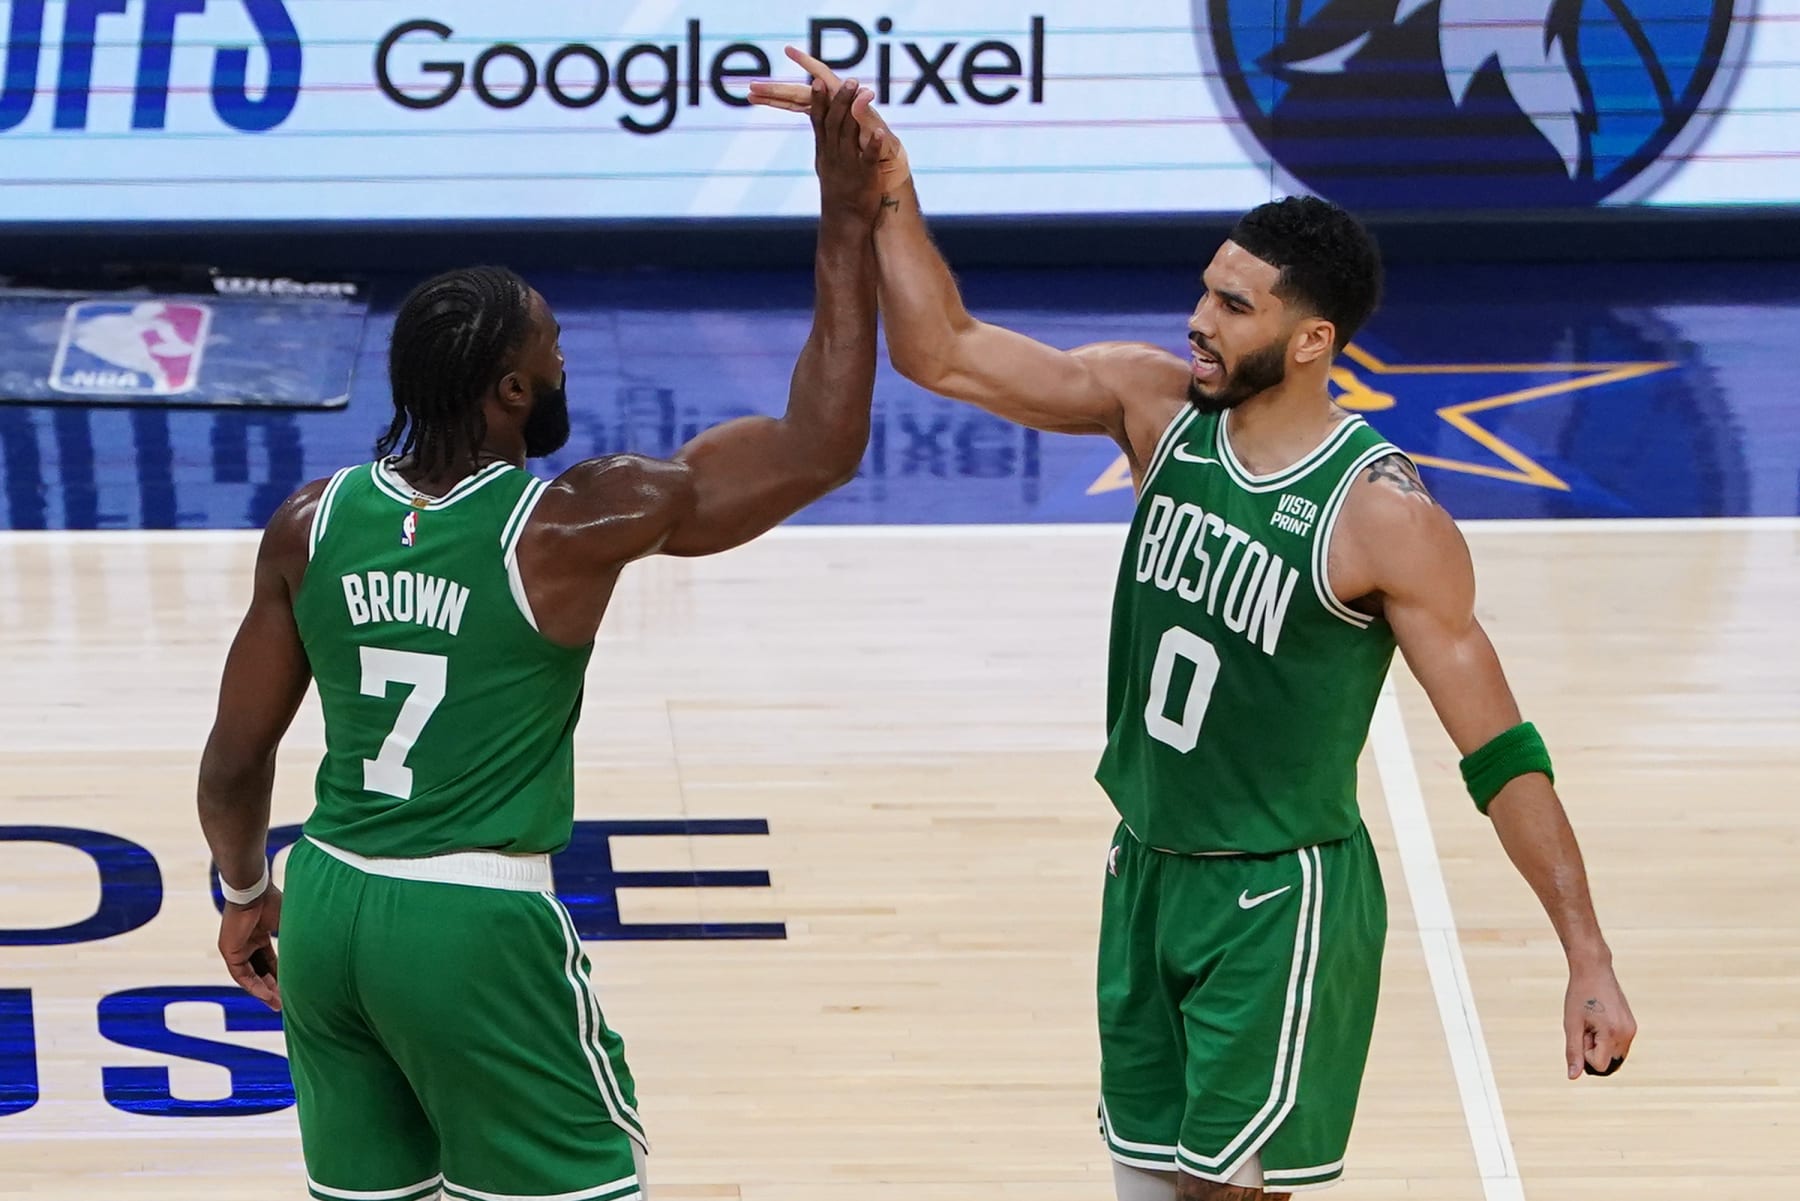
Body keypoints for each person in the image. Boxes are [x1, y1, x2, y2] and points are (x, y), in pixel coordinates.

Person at [751, 51, 1637, 1201]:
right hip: (1147, 869)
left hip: (1276, 897)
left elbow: (1499, 751)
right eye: (1207, 291)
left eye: (1233, 306)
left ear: (1312, 340)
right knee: (1146, 1187)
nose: (1198, 321)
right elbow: (945, 351)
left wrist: (1586, 952)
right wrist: (891, 190)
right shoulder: (1153, 404)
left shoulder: (1380, 517)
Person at [195, 77, 887, 1201]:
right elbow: (820, 445)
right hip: (471, 919)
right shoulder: (567, 524)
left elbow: (234, 762)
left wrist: (241, 893)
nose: (567, 360)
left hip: (325, 903)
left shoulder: (309, 522)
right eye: (554, 346)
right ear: (514, 387)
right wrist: (846, 217)